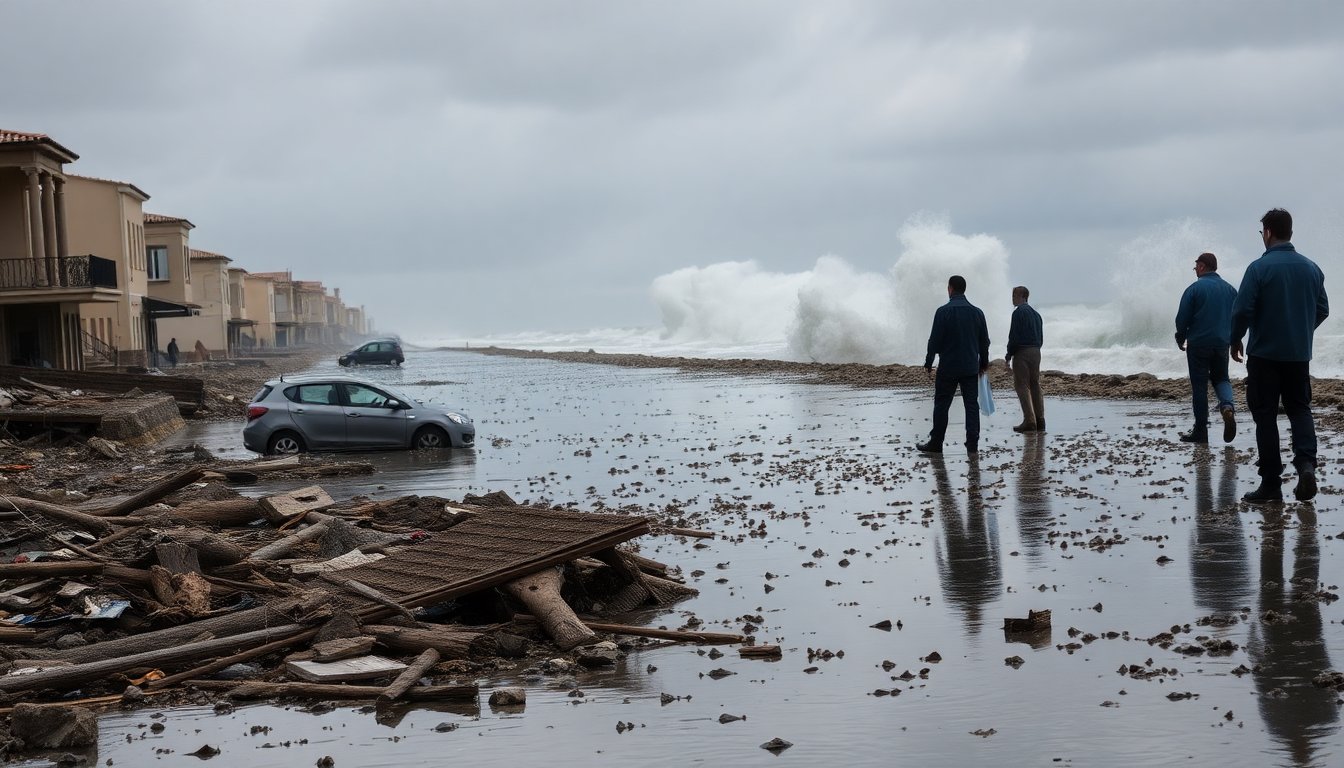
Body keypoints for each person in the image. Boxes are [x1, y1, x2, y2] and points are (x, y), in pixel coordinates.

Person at [1231, 208, 1329, 503]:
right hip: (1298, 355)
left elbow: (1242, 310)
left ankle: (1271, 484)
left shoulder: (1258, 269)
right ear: (1290, 233)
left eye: (1262, 232)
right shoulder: (1312, 268)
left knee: (1265, 417)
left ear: (1269, 233)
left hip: (1264, 356)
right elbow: (1323, 310)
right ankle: (1307, 466)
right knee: (1300, 409)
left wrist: (1235, 337)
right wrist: (1300, 331)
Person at [917, 275, 990, 454]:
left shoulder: (943, 311)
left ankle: (936, 442)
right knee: (971, 405)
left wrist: (928, 362)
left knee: (942, 404)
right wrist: (984, 364)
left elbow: (934, 340)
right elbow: (984, 342)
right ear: (964, 289)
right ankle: (972, 444)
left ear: (950, 289)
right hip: (970, 367)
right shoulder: (977, 312)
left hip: (948, 366)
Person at [1174, 252, 1238, 443]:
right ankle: (1227, 407)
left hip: (1199, 345)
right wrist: (1235, 340)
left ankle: (1201, 431)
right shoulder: (1230, 290)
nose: (1195, 270)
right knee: (1222, 379)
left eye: (1196, 267)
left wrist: (1181, 337)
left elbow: (1182, 318)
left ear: (1202, 266)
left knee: (1199, 387)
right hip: (1221, 344)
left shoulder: (1194, 289)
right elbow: (1238, 317)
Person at [1005, 286, 1045, 432]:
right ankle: (1040, 420)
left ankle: (1029, 420)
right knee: (1035, 384)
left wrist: (1009, 355)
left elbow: (1014, 336)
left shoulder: (1018, 313)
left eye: (1015, 295)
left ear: (1023, 296)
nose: (1012, 298)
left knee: (1021, 385)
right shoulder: (1036, 314)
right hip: (1036, 351)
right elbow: (1041, 337)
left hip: (1022, 351)